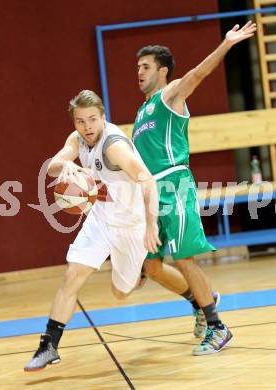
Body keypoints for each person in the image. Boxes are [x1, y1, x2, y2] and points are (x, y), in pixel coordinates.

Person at [133, 21, 257, 355]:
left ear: (163, 72)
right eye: (138, 68)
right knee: (153, 267)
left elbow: (198, 74)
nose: (139, 73)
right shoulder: (142, 111)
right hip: (150, 194)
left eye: (145, 67)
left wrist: (227, 44)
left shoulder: (169, 95)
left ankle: (218, 326)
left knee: (184, 257)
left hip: (174, 185)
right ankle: (200, 301)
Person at [24, 89, 161, 371]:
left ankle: (139, 273)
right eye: (80, 121)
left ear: (103, 118)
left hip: (130, 225)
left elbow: (148, 180)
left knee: (120, 293)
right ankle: (49, 345)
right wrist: (67, 167)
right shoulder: (77, 139)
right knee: (72, 273)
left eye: (92, 120)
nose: (87, 127)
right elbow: (52, 166)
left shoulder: (114, 146)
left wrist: (151, 224)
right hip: (100, 218)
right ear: (74, 122)